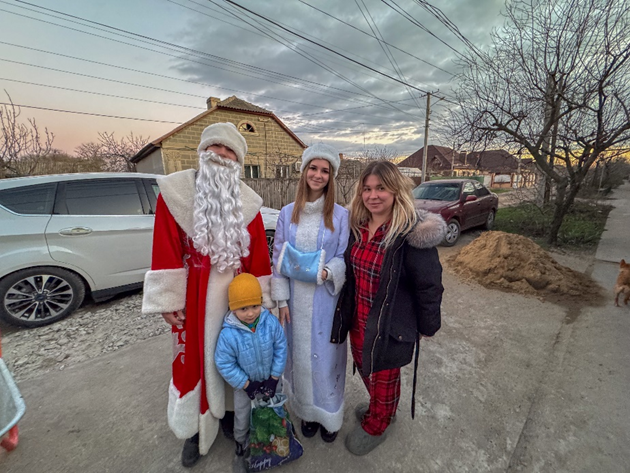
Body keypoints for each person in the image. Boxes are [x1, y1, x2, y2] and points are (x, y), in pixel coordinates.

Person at [141, 122, 274, 468]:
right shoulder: (175, 193)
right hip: (193, 299)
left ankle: (228, 414)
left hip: (235, 300)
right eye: (216, 146)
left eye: (230, 150)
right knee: (191, 364)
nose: (222, 154)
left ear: (238, 161)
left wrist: (262, 302)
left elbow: (259, 257)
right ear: (202, 151)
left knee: (237, 357)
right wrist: (168, 300)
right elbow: (165, 247)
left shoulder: (249, 203)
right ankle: (193, 428)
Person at [330, 160, 446, 456]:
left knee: (384, 375)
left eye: (381, 188)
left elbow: (429, 284)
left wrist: (428, 325)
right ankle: (382, 408)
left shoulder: (409, 234)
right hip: (360, 320)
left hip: (391, 325)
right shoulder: (358, 229)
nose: (373, 195)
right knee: (367, 370)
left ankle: (377, 424)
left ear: (395, 190)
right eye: (367, 189)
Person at [271, 142, 350, 443]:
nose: (318, 175)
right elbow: (278, 257)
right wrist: (281, 300)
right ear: (304, 172)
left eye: (325, 170)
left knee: (327, 359)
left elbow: (343, 256)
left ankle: (329, 414)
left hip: (326, 300)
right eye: (313, 168)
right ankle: (306, 410)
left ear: (331, 177)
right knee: (300, 358)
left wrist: (328, 272)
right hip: (295, 302)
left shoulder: (340, 216)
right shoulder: (287, 213)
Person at [215, 273, 288, 471]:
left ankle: (275, 437)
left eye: (255, 306)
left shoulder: (270, 323)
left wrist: (274, 377)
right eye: (243, 308)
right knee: (242, 417)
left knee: (275, 409)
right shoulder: (228, 334)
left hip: (271, 382)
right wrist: (246, 384)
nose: (250, 314)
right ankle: (241, 446)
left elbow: (281, 347)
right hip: (245, 389)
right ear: (233, 308)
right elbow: (224, 363)